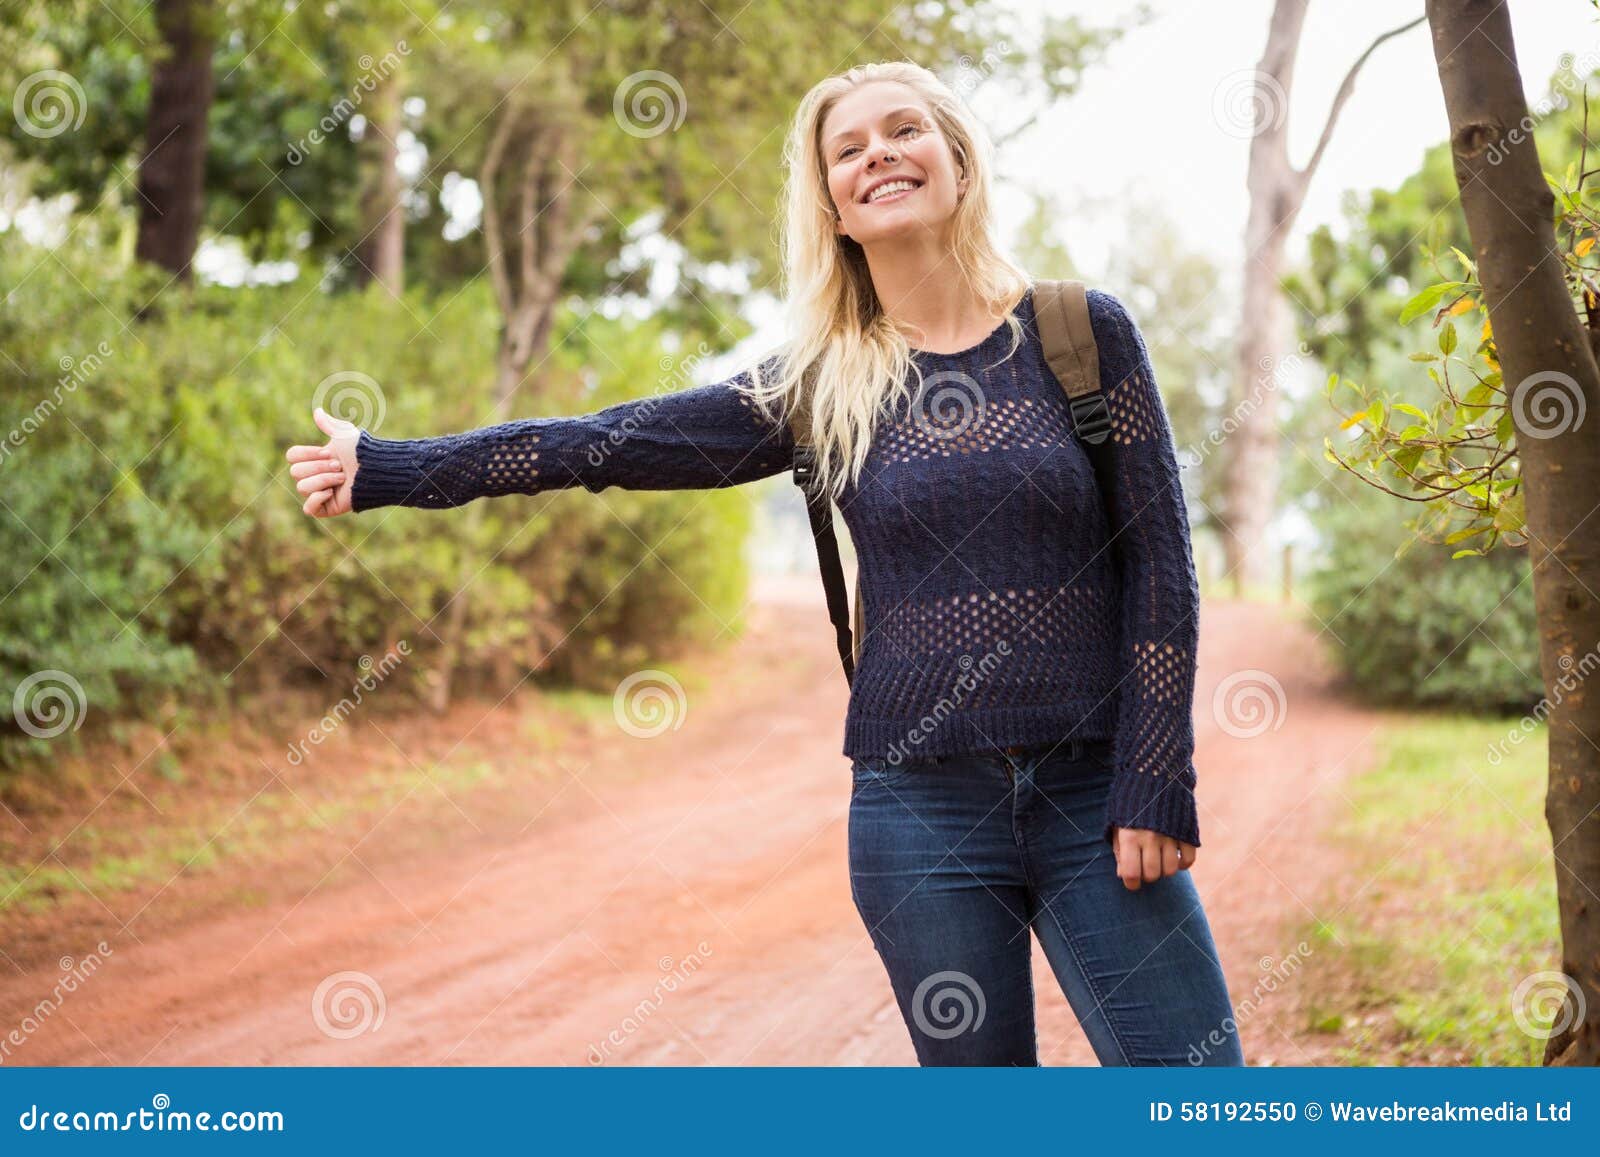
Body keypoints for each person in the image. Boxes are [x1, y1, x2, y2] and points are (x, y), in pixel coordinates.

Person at [284, 60, 1244, 1068]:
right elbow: (603, 444)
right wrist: (388, 468)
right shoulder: (821, 384)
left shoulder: (1079, 334)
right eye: (847, 148)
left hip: (1094, 799)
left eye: (904, 129)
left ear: (957, 162)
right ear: (832, 205)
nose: (878, 152)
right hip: (918, 813)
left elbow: (1160, 568)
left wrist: (1154, 777)